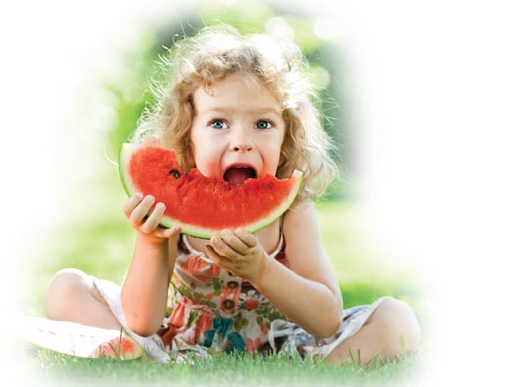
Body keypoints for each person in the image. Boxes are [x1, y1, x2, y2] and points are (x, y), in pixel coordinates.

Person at [43, 25, 420, 364]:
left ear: (287, 136)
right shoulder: (171, 209)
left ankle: (309, 369)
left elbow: (326, 318)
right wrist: (149, 241)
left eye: (263, 123)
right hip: (176, 339)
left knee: (397, 320)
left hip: (280, 347)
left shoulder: (293, 211)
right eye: (219, 122)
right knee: (65, 289)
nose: (241, 141)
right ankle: (148, 357)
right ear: (187, 135)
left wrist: (263, 269)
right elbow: (142, 320)